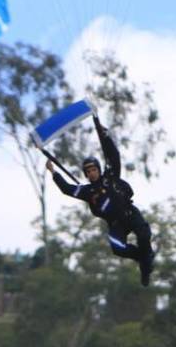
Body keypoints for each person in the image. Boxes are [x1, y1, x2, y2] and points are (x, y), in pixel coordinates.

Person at [46, 114, 156, 286]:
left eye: (93, 170)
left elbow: (113, 155)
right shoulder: (86, 191)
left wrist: (105, 136)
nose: (91, 173)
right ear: (86, 175)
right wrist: (54, 173)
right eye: (88, 172)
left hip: (129, 213)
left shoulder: (110, 175)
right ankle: (142, 257)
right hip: (116, 224)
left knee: (144, 234)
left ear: (98, 169)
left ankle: (146, 264)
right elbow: (67, 189)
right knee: (117, 247)